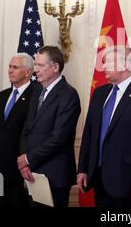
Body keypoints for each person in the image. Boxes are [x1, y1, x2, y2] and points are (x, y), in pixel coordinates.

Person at [77, 46, 131, 207]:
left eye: (109, 62)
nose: (104, 66)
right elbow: (89, 134)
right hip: (99, 179)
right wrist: (83, 169)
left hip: (129, 183)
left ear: (124, 66)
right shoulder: (99, 93)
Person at [17, 46, 81, 207]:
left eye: (40, 65)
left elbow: (59, 138)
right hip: (33, 172)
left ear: (55, 67)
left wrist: (27, 159)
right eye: (35, 65)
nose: (35, 70)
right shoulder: (38, 90)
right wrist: (26, 161)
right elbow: (27, 129)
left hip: (55, 176)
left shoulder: (69, 95)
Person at [0, 53, 35, 207]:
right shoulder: (1, 96)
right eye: (10, 67)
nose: (10, 70)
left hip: (20, 170)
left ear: (28, 72)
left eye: (15, 67)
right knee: (0, 203)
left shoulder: (37, 96)